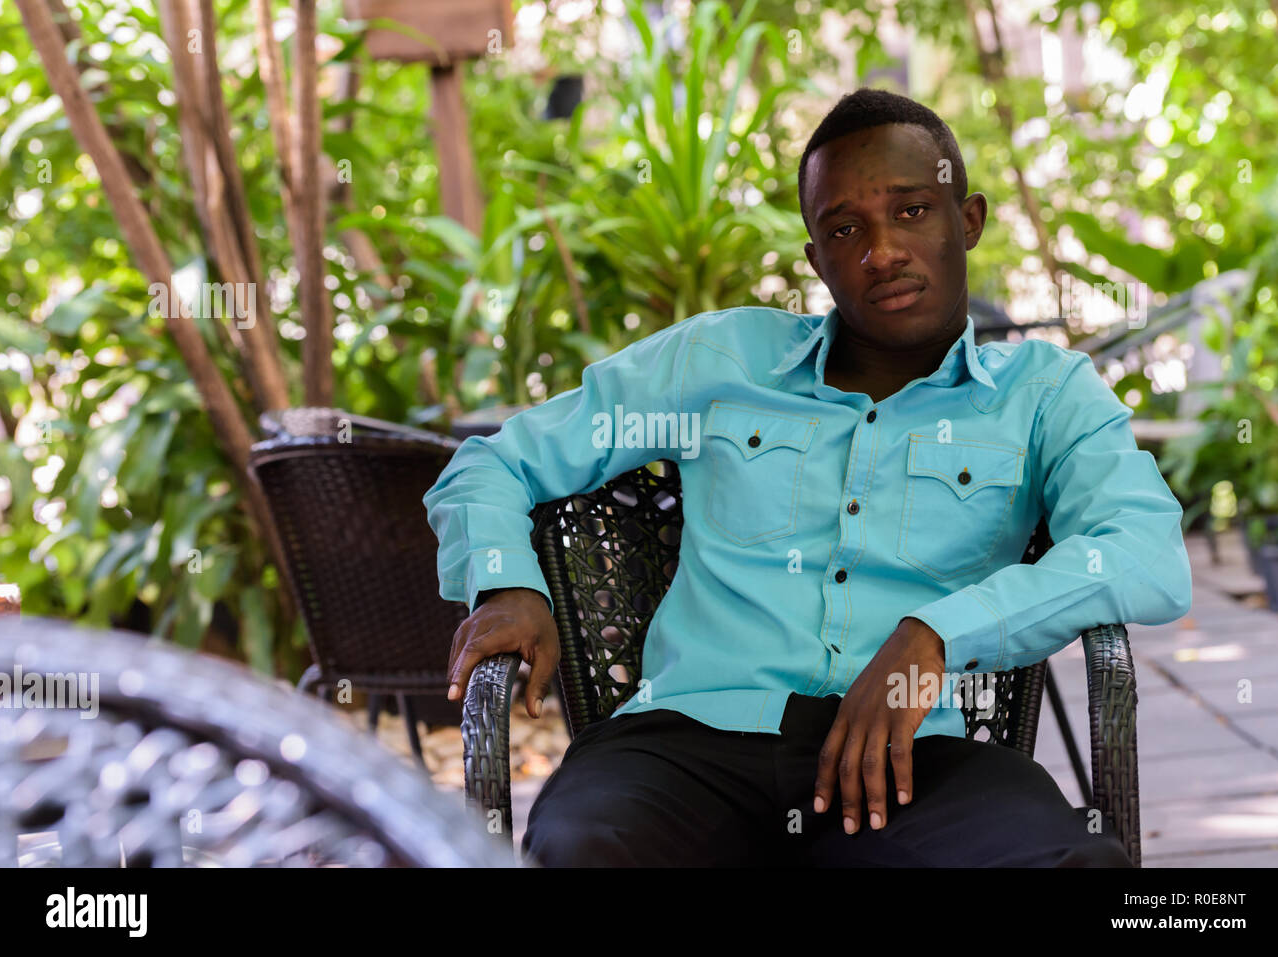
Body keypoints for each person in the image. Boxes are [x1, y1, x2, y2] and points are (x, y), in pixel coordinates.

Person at [423, 87, 1193, 867]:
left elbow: (1141, 549)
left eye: (913, 211)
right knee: (585, 849)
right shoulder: (722, 362)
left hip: (913, 763)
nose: (882, 250)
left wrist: (934, 635)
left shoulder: (1043, 393)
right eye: (845, 228)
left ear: (969, 220)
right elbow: (496, 460)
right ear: (816, 259)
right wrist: (507, 583)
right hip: (686, 748)